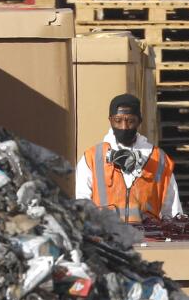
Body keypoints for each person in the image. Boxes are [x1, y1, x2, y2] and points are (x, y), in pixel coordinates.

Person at [75, 93, 181, 223]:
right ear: (110, 120)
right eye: (118, 121)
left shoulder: (159, 159)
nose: (124, 127)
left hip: (149, 238)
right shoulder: (92, 157)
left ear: (139, 121)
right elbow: (82, 203)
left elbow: (172, 210)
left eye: (130, 121)